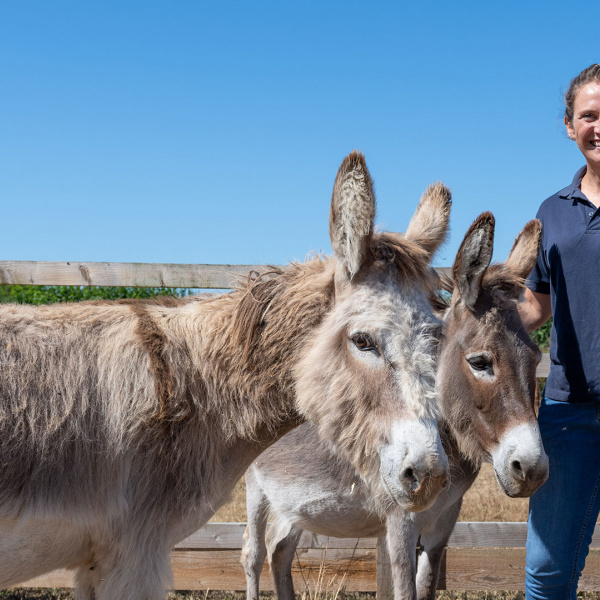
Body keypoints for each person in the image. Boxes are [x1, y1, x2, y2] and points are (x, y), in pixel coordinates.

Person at [519, 63, 600, 600]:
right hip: (569, 417)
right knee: (548, 575)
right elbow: (533, 306)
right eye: (588, 115)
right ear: (569, 126)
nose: (599, 125)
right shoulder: (553, 213)